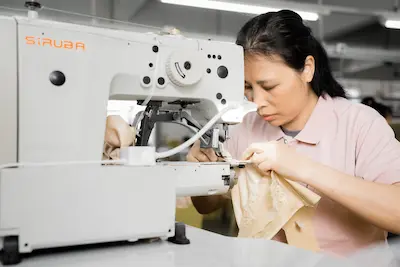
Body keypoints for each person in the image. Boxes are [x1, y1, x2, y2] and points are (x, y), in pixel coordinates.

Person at [187, 10, 400, 256]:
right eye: (247, 88)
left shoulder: (360, 124)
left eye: (269, 87)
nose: (257, 101)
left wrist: (302, 168)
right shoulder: (245, 127)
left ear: (307, 69)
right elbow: (206, 206)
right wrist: (202, 174)